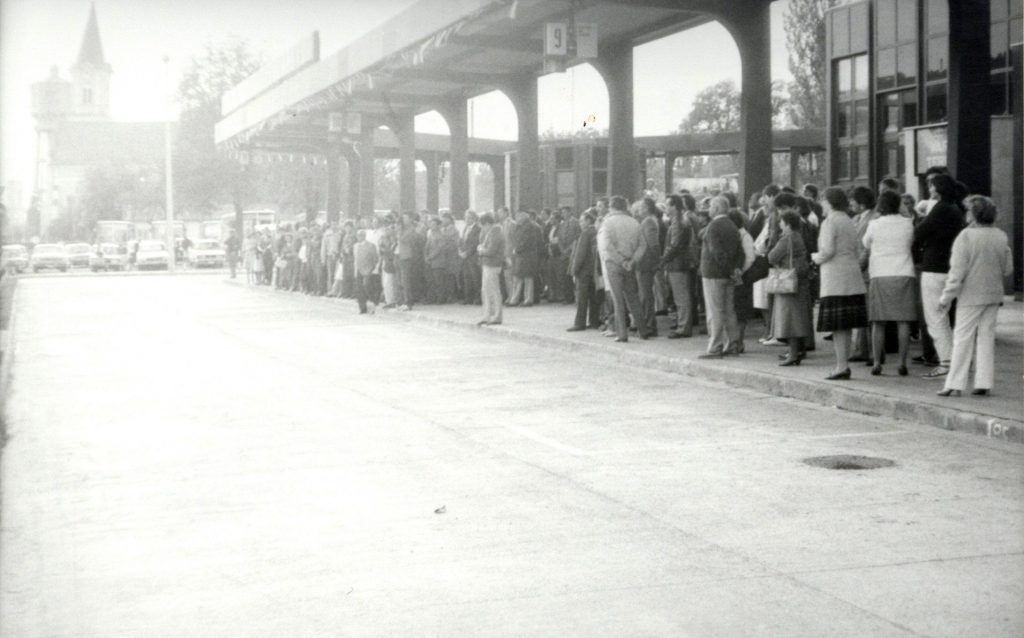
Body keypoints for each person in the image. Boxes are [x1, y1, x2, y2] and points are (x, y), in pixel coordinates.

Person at [937, 196, 1014, 397]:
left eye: (968, 211)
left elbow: (956, 273)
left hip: (970, 295)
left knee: (962, 338)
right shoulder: (1001, 236)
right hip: (993, 294)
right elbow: (1008, 269)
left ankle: (954, 383)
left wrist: (945, 298)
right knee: (986, 337)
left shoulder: (965, 236)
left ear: (973, 214)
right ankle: (984, 382)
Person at [913, 173, 966, 379]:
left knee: (936, 318)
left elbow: (919, 233)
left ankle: (946, 363)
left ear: (939, 188)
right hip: (948, 266)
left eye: (933, 186)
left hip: (934, 266)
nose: (930, 189)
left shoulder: (941, 208)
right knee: (947, 316)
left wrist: (921, 218)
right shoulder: (955, 209)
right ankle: (955, 361)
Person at [812, 187, 868, 380]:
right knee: (846, 325)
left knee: (837, 326)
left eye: (823, 201)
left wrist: (814, 258)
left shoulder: (830, 222)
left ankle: (841, 365)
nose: (821, 204)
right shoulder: (849, 220)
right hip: (851, 275)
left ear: (829, 202)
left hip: (835, 277)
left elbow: (827, 250)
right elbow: (857, 248)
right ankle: (842, 364)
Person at [863, 190, 917, 377]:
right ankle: (902, 362)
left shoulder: (874, 224)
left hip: (880, 273)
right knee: (903, 321)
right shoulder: (908, 224)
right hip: (903, 272)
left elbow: (866, 243)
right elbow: (911, 242)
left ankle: (877, 362)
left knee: (878, 321)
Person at [597, 196, 648, 342]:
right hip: (630, 263)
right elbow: (642, 245)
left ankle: (622, 333)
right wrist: (631, 260)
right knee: (633, 297)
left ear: (611, 207)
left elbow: (606, 246)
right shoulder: (634, 222)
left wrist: (620, 260)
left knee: (617, 299)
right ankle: (643, 330)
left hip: (614, 264)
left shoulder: (607, 223)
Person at [698, 196, 743, 358]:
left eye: (710, 206)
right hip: (728, 275)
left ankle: (715, 346)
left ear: (717, 209)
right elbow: (740, 252)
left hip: (713, 274)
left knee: (714, 311)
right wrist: (735, 269)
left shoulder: (713, 226)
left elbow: (716, 252)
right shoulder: (732, 226)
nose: (708, 209)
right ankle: (732, 344)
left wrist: (728, 269)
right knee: (729, 311)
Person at [768, 211, 813, 365]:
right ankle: (798, 351)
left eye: (781, 222)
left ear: (787, 224)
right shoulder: (798, 236)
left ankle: (793, 354)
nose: (780, 224)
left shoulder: (786, 239)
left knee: (789, 319)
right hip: (800, 281)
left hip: (787, 282)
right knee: (798, 318)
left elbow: (772, 257)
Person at [661, 194, 695, 338]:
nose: (666, 207)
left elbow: (674, 245)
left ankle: (683, 327)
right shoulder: (681, 220)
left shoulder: (677, 222)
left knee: (681, 297)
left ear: (674, 206)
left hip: (677, 264)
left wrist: (663, 260)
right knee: (682, 296)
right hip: (680, 263)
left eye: (668, 205)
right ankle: (683, 325)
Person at [567, 212, 601, 331]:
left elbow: (580, 255)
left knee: (581, 298)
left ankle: (579, 323)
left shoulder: (585, 234)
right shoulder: (596, 232)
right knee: (593, 298)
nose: (580, 224)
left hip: (584, 271)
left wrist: (574, 270)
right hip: (594, 270)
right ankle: (594, 321)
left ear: (588, 221)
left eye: (582, 221)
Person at [728, 209, 756, 353]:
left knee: (740, 311)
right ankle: (735, 341)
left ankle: (739, 341)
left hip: (742, 278)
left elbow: (750, 258)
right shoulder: (738, 235)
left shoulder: (745, 236)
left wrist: (739, 271)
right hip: (737, 277)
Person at [635, 197, 662, 338]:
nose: (639, 209)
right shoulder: (649, 221)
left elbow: (653, 244)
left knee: (646, 295)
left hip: (646, 263)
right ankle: (647, 324)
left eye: (641, 206)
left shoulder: (649, 222)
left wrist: (656, 262)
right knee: (645, 295)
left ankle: (650, 325)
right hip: (646, 262)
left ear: (646, 207)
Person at [508, 211, 542, 306]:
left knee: (526, 278)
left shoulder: (528, 227)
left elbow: (525, 241)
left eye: (518, 216)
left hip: (526, 256)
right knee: (521, 277)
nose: (516, 218)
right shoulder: (522, 226)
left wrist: (516, 249)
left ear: (523, 217)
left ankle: (526, 300)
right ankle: (517, 299)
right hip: (522, 256)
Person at [476, 212, 505, 326]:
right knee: (486, 290)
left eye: (483, 225)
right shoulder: (492, 232)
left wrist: (481, 250)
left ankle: (496, 316)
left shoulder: (496, 232)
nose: (483, 228)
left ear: (488, 223)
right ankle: (487, 315)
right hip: (488, 264)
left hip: (492, 264)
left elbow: (491, 250)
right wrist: (482, 248)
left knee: (493, 290)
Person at [353, 230, 380, 314]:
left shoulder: (371, 246)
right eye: (358, 235)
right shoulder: (355, 246)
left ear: (364, 236)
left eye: (361, 235)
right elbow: (355, 258)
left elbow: (375, 258)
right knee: (359, 289)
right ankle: (362, 308)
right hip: (358, 269)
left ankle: (373, 305)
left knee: (367, 287)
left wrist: (371, 268)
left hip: (368, 270)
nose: (359, 237)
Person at [459, 210, 481, 304]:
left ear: (474, 218)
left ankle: (478, 298)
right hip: (464, 256)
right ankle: (468, 298)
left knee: (475, 278)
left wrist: (467, 253)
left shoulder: (477, 229)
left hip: (473, 256)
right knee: (466, 277)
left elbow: (475, 243)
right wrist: (460, 251)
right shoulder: (465, 228)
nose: (466, 219)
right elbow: (462, 241)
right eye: (465, 217)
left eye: (468, 217)